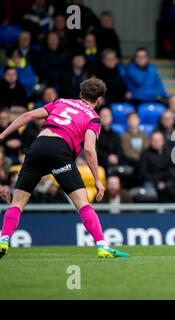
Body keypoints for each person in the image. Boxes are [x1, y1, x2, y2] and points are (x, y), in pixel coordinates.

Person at [0, 78, 128, 259]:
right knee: (82, 203)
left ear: (80, 94)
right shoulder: (93, 118)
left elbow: (27, 115)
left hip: (37, 147)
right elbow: (90, 150)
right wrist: (98, 181)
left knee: (17, 203)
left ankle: (3, 239)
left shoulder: (61, 102)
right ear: (99, 100)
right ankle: (102, 246)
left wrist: (2, 135)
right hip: (60, 152)